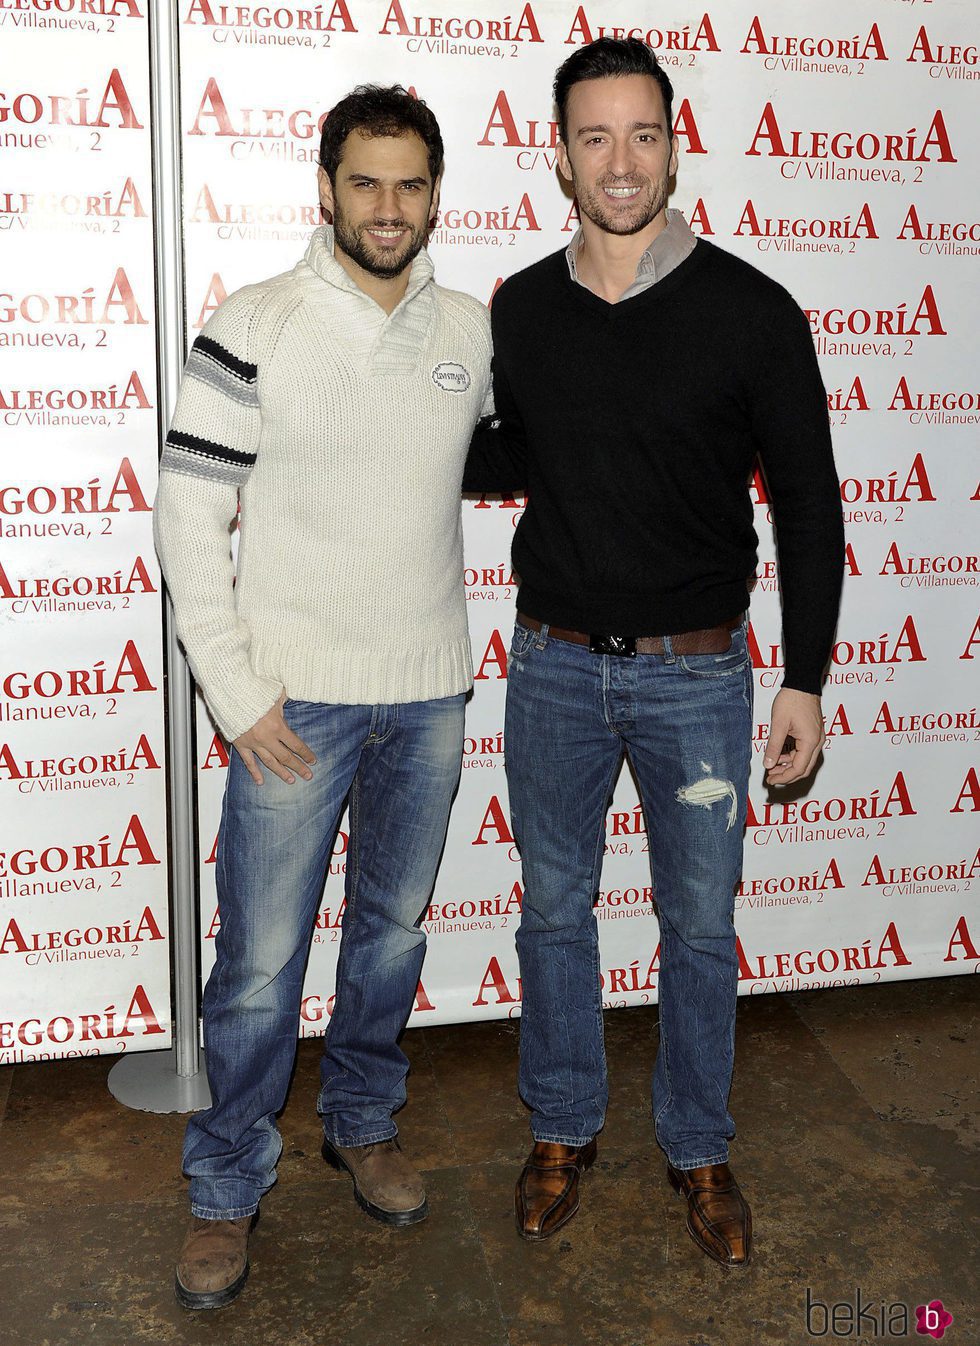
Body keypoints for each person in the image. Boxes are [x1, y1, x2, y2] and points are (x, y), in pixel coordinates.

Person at [463, 38, 844, 1267]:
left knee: (694, 921)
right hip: (556, 667)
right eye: (592, 137)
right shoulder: (518, 308)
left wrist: (804, 677)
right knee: (553, 911)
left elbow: (809, 502)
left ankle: (697, 1143)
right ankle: (563, 1127)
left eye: (641, 135)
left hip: (695, 675)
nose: (618, 163)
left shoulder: (750, 309)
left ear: (674, 145)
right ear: (557, 156)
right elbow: (514, 456)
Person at [155, 84, 491, 1310]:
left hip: (430, 699)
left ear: (434, 192)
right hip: (291, 711)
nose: (387, 206)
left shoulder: (470, 328)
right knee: (256, 966)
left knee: (391, 937)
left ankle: (361, 1120)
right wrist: (238, 694)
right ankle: (224, 1186)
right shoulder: (258, 320)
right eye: (365, 181)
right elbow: (187, 516)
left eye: (409, 183)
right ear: (326, 189)